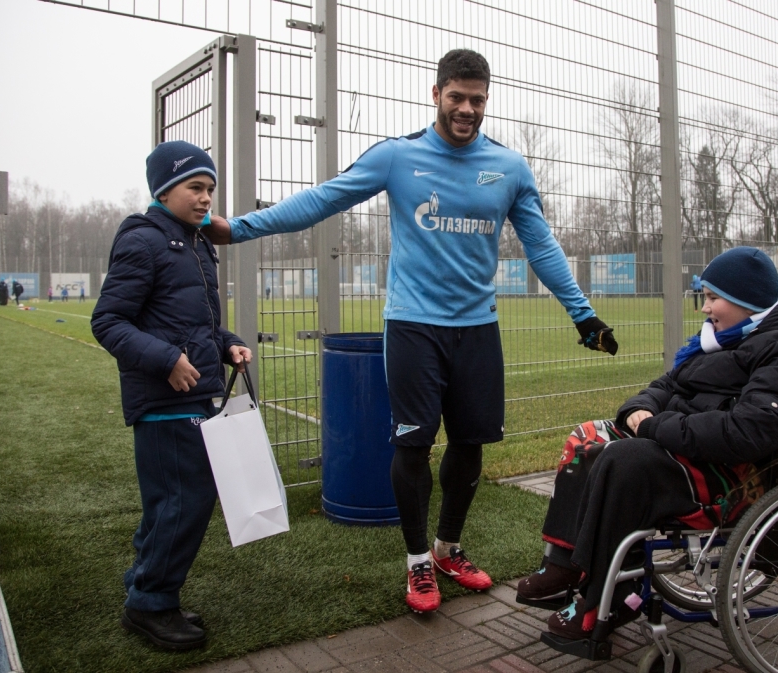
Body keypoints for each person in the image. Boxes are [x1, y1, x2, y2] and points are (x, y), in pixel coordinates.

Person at [204, 49, 619, 614]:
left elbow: (540, 244)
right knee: (414, 445)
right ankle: (417, 563)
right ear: (436, 94)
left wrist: (582, 313)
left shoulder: (510, 168)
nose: (467, 109)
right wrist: (240, 227)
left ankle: (449, 548)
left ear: (486, 100)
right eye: (457, 98)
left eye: (477, 100)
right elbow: (326, 197)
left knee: (471, 446)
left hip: (477, 329)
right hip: (412, 327)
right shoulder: (398, 157)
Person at [514, 247, 778, 643]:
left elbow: (749, 432)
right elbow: (668, 386)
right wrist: (639, 410)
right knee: (587, 438)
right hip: (685, 447)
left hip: (733, 475)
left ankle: (604, 602)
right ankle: (563, 563)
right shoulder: (720, 337)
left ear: (747, 301)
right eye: (705, 297)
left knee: (624, 460)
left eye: (713, 298)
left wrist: (657, 427)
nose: (704, 308)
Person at [91, 140, 252, 651]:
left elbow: (194, 320)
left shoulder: (196, 242)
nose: (206, 198)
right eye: (195, 188)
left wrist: (227, 345)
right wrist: (167, 361)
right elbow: (109, 321)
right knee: (185, 499)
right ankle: (150, 604)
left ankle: (145, 575)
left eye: (210, 189)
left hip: (194, 394)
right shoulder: (144, 240)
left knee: (171, 499)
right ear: (164, 190)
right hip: (163, 401)